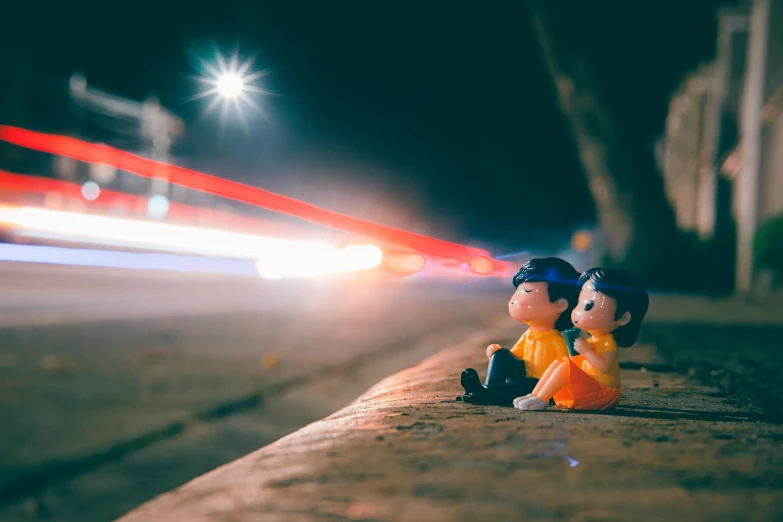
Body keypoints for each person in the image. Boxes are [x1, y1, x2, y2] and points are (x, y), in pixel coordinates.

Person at [513, 267, 649, 412]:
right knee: (561, 362)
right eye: (579, 303)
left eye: (588, 306)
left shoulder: (608, 343)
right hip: (591, 387)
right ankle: (536, 395)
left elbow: (603, 366)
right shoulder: (592, 341)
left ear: (622, 318)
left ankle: (542, 399)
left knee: (566, 367)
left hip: (604, 393)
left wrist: (585, 351)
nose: (577, 312)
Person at [460, 257, 580, 406]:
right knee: (501, 354)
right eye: (518, 291)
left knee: (525, 387)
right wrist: (496, 353)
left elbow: (566, 370)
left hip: (541, 386)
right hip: (523, 376)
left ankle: (485, 393)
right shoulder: (528, 334)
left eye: (527, 291)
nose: (515, 299)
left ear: (560, 304)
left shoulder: (556, 340)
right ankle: (489, 388)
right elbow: (515, 355)